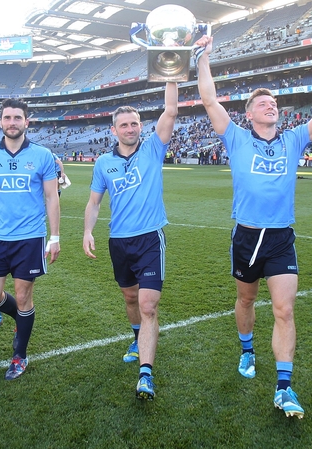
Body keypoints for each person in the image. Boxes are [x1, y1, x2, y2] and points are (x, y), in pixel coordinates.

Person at [196, 35, 312, 419]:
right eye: (262, 103)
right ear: (250, 114)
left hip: (281, 238)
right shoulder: (237, 138)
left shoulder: (293, 140)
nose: (270, 104)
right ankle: (247, 350)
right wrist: (202, 59)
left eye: (273, 102)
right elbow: (210, 100)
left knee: (284, 309)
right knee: (245, 301)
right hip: (246, 236)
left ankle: (284, 387)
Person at [83, 82, 178, 401]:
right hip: (119, 242)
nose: (130, 128)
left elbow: (171, 111)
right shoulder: (102, 164)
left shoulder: (153, 148)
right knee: (129, 298)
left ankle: (146, 375)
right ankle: (137, 338)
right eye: (123, 124)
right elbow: (94, 202)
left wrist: (172, 75)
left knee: (148, 304)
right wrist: (87, 231)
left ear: (141, 126)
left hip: (150, 238)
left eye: (135, 123)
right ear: (114, 131)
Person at [0, 98, 61, 380]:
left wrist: (54, 236)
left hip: (30, 238)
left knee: (23, 296)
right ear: (1, 122)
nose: (12, 123)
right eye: (7, 118)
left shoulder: (42, 155)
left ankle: (19, 355)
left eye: (18, 118)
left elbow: (51, 196)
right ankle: (22, 318)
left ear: (26, 122)